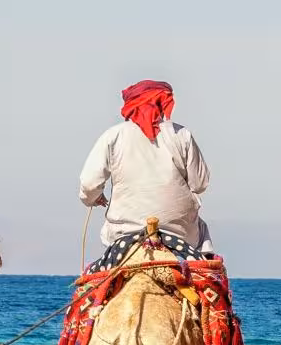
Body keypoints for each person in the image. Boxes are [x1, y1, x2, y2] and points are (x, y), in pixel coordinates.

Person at [78, 78, 212, 257]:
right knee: (203, 240)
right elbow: (200, 184)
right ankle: (206, 275)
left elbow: (89, 184)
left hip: (125, 231)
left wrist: (92, 198)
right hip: (181, 231)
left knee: (104, 261)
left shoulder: (113, 136)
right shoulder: (182, 135)